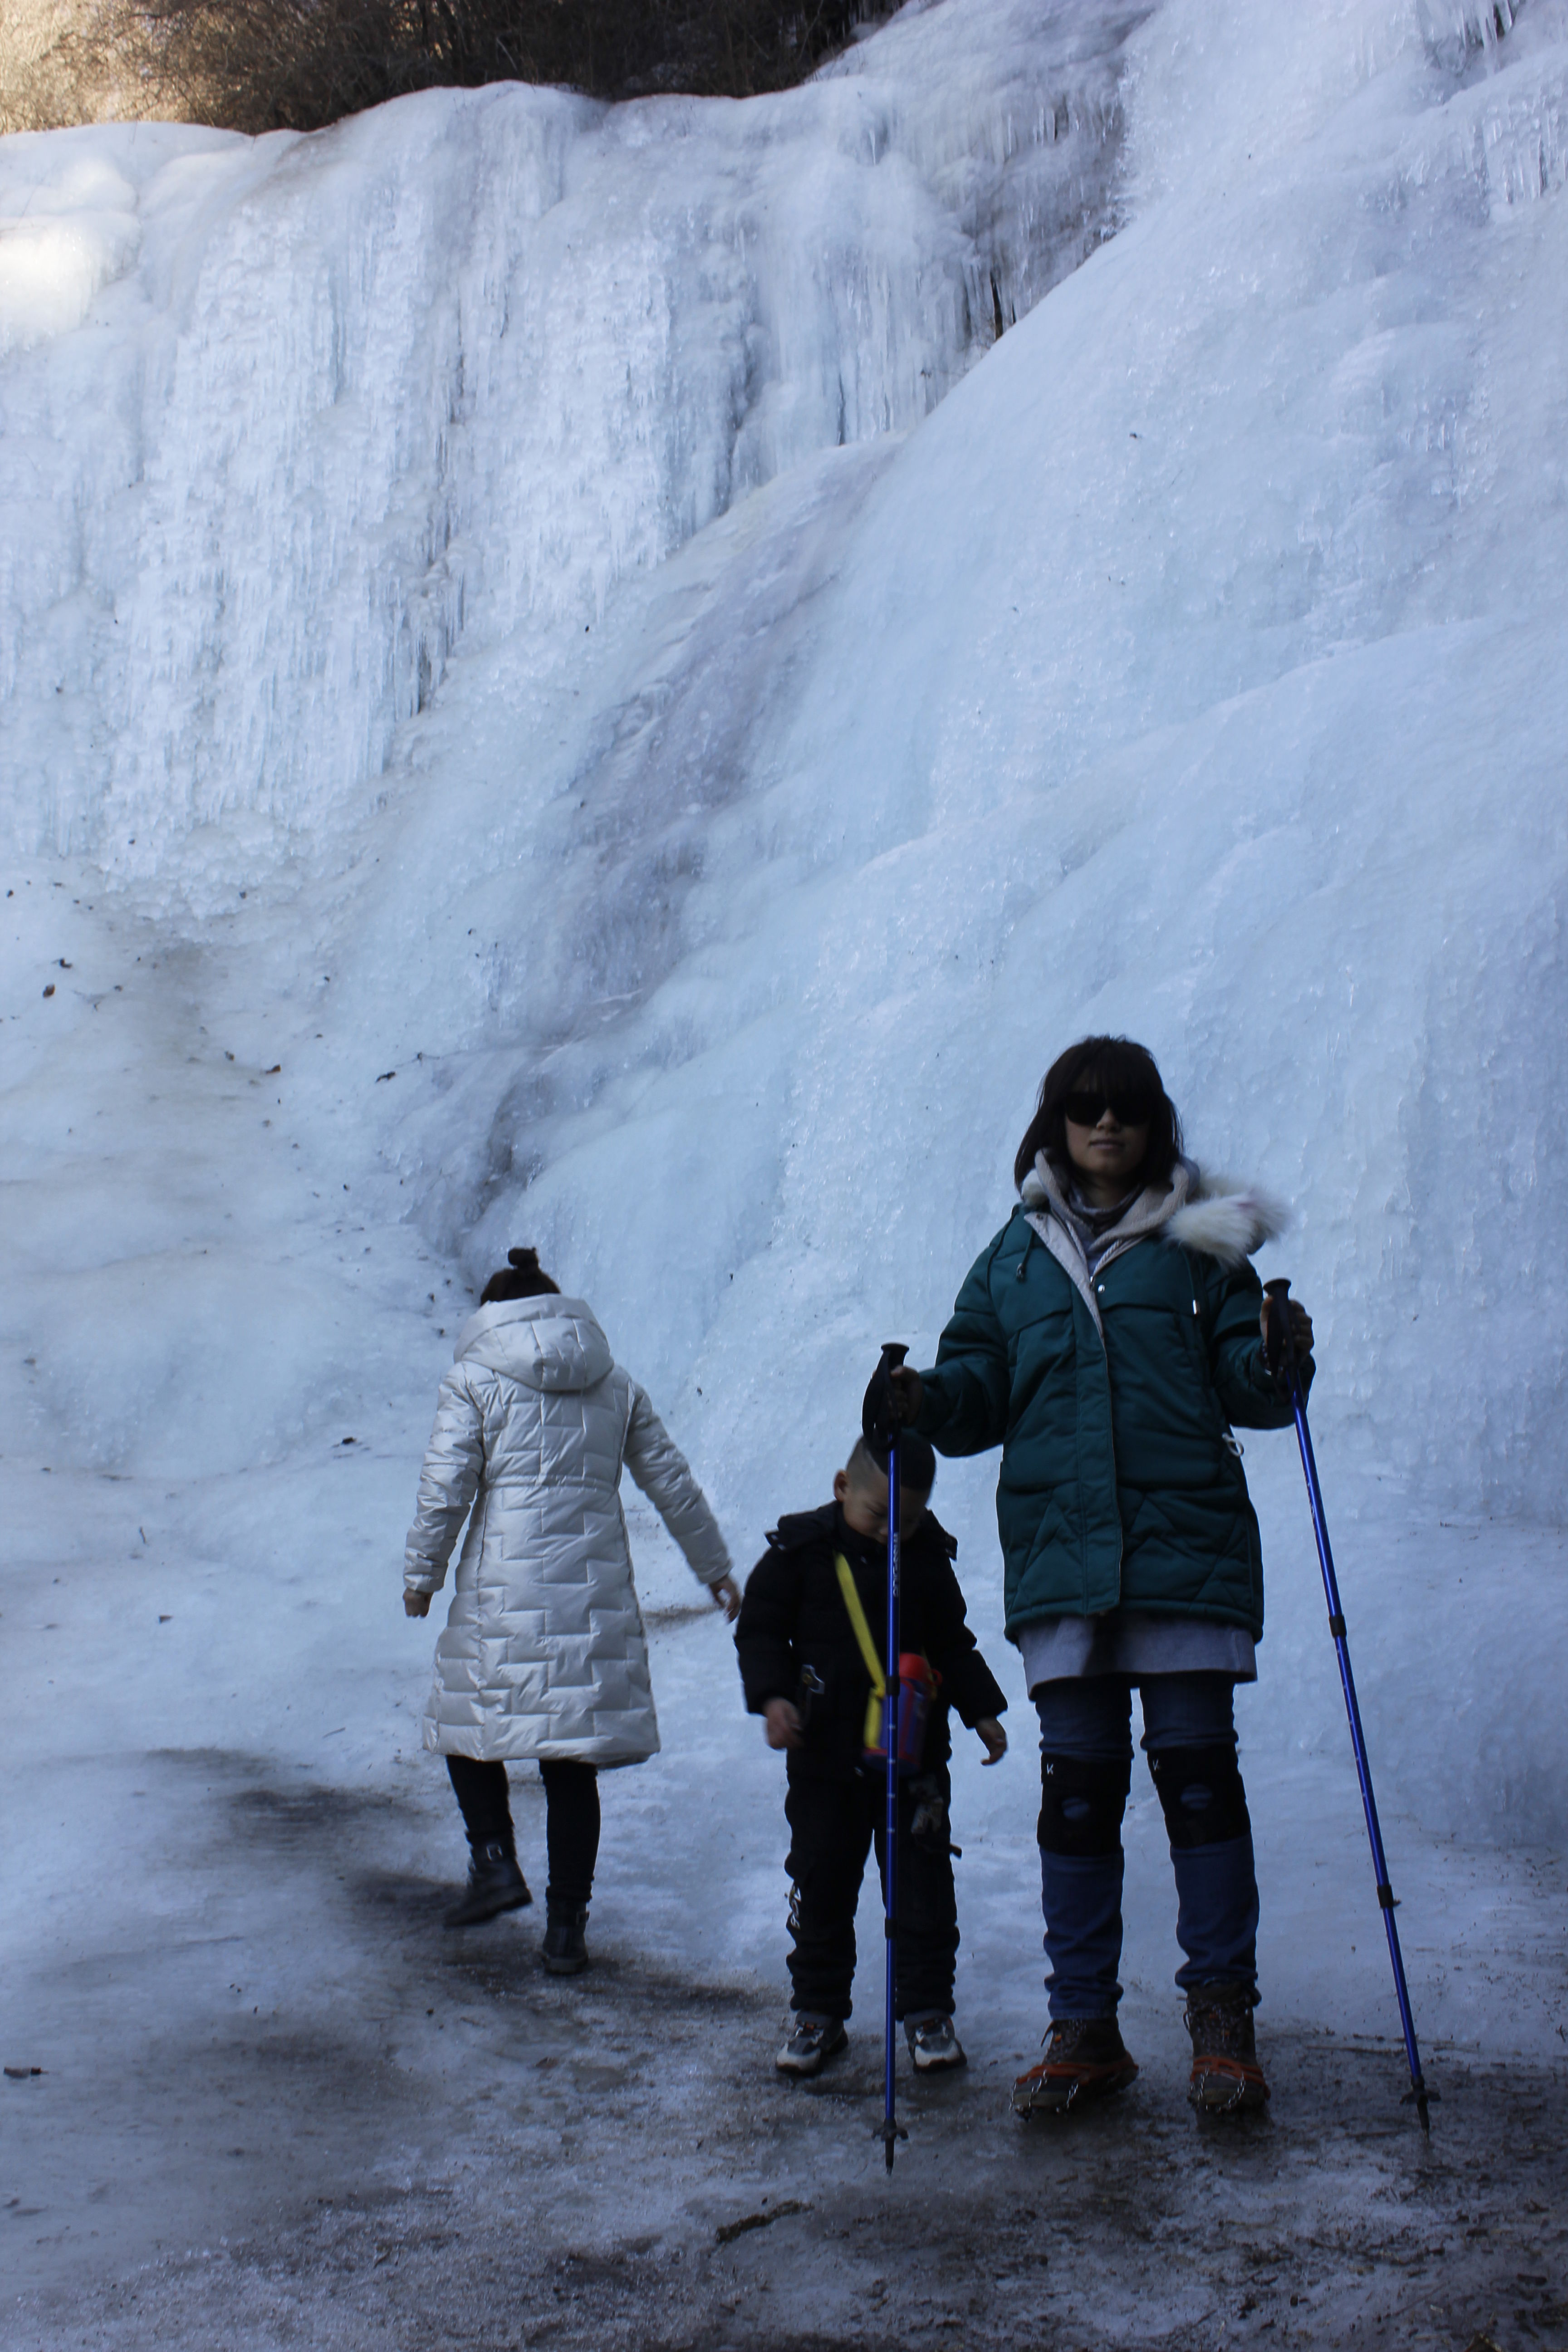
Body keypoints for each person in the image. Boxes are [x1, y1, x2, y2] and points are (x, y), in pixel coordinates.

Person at [885, 1036, 1315, 2117]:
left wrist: (1276, 1363)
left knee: (1199, 1782)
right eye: (1086, 1110)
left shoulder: (1205, 1245)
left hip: (1186, 1548)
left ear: (1153, 1123)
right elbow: (977, 1389)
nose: (1106, 1127)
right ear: (1058, 1126)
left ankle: (1223, 2020)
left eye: (1124, 1110)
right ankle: (1084, 2023)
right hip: (1063, 1556)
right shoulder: (1014, 1258)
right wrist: (920, 1407)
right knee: (1077, 1797)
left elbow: (1249, 1390)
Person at [403, 1245, 740, 1970]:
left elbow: (446, 1486)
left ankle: (494, 1862)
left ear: (492, 1314)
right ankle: (566, 1927)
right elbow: (671, 1481)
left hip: (504, 1591)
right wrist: (714, 1568)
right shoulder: (612, 1382)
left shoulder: (474, 1379)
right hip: (591, 1597)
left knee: (464, 1727)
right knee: (569, 1762)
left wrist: (422, 1576)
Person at [735, 1432, 1008, 2078]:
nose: (892, 1532)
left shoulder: (925, 1560)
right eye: (879, 1515)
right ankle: (818, 2012)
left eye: (908, 1520)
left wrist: (982, 1710)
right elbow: (762, 1627)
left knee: (922, 1891)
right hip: (824, 1760)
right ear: (841, 1488)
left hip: (913, 1763)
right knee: (822, 1883)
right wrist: (774, 1697)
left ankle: (927, 2012)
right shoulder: (801, 1553)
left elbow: (952, 1641)